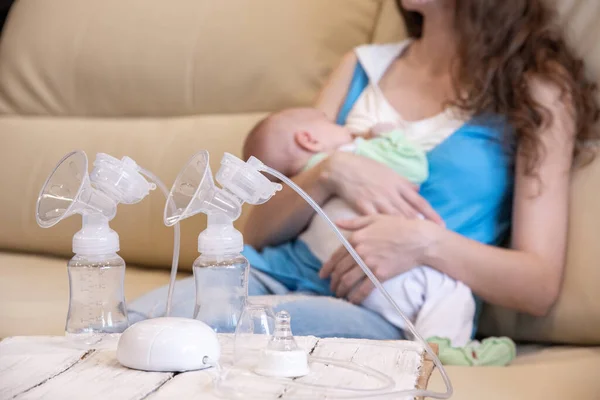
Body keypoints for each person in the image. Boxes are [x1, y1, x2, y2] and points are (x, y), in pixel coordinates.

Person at [130, 0, 599, 342]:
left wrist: (420, 243)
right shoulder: (361, 65)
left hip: (383, 306)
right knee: (129, 323)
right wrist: (331, 170)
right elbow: (255, 231)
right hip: (273, 271)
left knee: (218, 334)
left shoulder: (536, 93)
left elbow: (538, 284)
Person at [243, 106, 479, 347]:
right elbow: (412, 167)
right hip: (380, 286)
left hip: (315, 274)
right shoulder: (355, 151)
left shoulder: (301, 183)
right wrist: (388, 136)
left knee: (228, 305)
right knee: (452, 297)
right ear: (309, 139)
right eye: (332, 123)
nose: (346, 128)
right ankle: (440, 348)